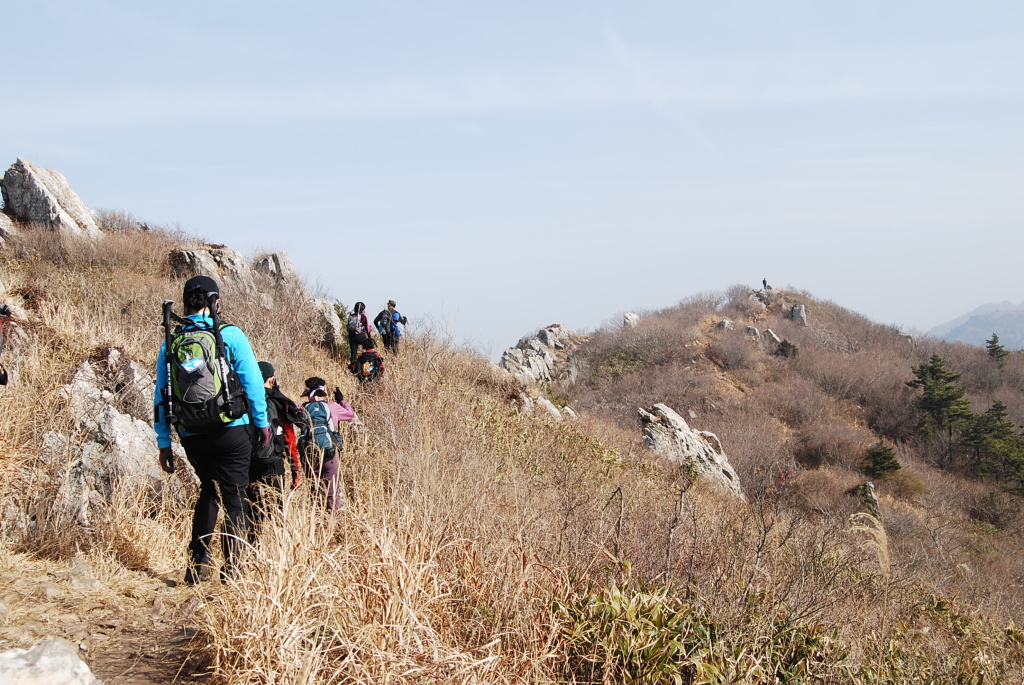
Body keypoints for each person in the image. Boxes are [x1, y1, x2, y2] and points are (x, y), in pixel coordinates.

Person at [154, 275, 269, 584]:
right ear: (215, 301)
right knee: (234, 495)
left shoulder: (172, 340)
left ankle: (198, 564)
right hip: (232, 429)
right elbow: (253, 382)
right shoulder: (229, 334)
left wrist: (164, 441)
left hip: (191, 433)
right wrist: (261, 423)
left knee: (207, 490)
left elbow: (161, 395)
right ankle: (233, 570)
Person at [247, 361, 303, 532]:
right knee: (277, 506)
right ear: (271, 379)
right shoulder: (277, 402)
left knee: (251, 508)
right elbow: (289, 438)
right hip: (272, 460)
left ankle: (253, 544)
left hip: (247, 461)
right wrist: (296, 470)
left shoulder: (241, 398)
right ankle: (277, 540)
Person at [298, 377, 355, 515]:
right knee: (332, 490)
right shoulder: (332, 406)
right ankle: (334, 522)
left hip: (309, 452)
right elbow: (350, 414)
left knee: (314, 488)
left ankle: (317, 521)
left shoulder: (300, 408)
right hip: (329, 451)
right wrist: (341, 400)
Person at [346, 302, 374, 368]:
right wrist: (369, 337)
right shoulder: (364, 317)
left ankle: (353, 367)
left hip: (352, 337)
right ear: (362, 310)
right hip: (361, 336)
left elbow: (349, 327)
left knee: (353, 353)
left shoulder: (351, 316)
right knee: (368, 348)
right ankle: (367, 362)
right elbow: (368, 328)